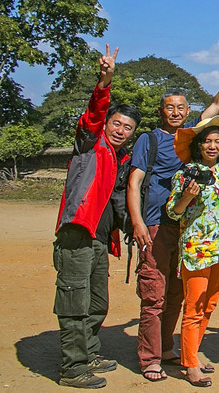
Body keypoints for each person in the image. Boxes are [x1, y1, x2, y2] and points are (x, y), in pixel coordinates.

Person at [127, 57, 219, 382]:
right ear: (161, 111)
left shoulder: (197, 139)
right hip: (157, 223)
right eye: (170, 107)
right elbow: (135, 182)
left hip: (189, 231)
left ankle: (169, 348)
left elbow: (217, 105)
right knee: (155, 293)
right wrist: (137, 222)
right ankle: (150, 359)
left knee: (179, 295)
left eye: (181, 107)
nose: (176, 112)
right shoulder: (150, 140)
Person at [53, 45, 139, 389]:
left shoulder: (121, 158)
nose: (120, 130)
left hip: (101, 239)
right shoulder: (90, 143)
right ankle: (72, 368)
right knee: (74, 301)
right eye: (116, 123)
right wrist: (105, 81)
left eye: (127, 127)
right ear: (106, 123)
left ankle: (88, 352)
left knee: (96, 301)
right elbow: (93, 112)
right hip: (78, 233)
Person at [166, 115, 219, 387]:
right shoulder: (185, 173)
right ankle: (189, 365)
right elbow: (173, 211)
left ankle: (192, 354)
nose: (212, 146)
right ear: (198, 145)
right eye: (208, 141)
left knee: (209, 305)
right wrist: (187, 196)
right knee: (194, 307)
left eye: (217, 142)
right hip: (196, 249)